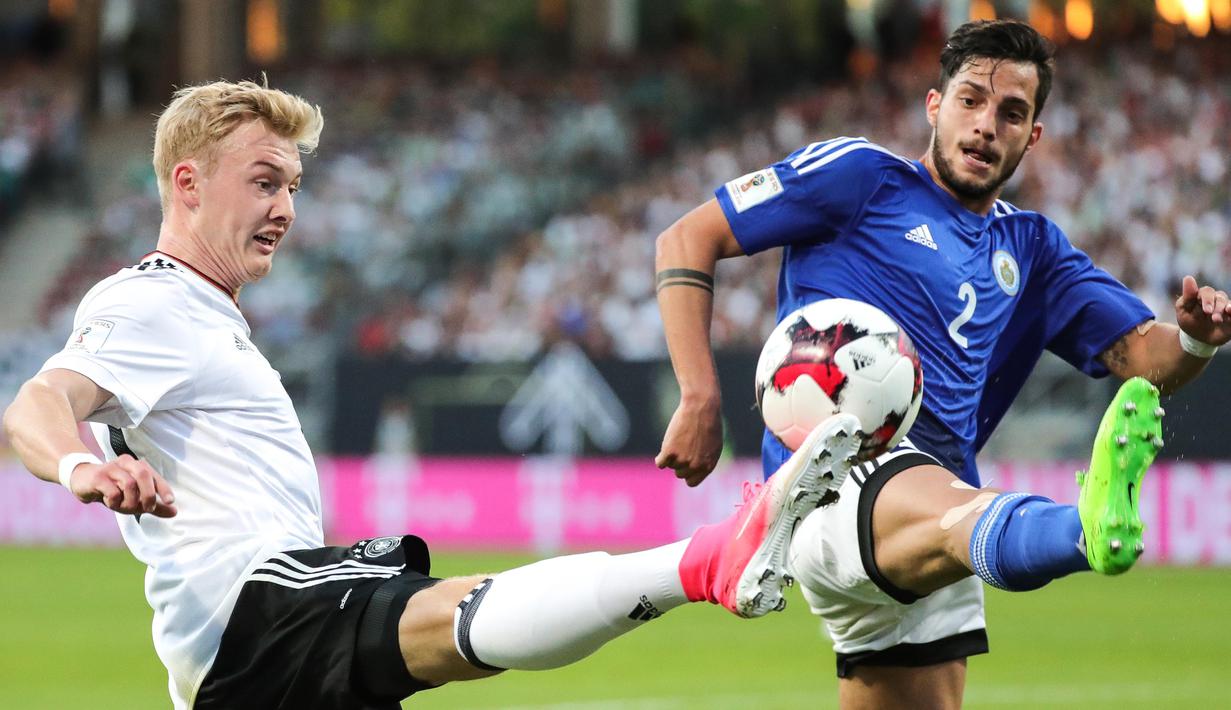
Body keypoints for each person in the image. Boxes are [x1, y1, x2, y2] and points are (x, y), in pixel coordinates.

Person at [0, 79, 870, 710]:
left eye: (293, 188)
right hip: (253, 614)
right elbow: (35, 405)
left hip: (241, 654)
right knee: (452, 618)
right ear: (186, 184)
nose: (286, 210)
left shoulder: (201, 316)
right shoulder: (149, 301)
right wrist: (82, 468)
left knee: (445, 622)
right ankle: (705, 559)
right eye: (264, 181)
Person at [653, 19, 1230, 709]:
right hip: (828, 486)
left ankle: (1062, 525)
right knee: (966, 515)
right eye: (970, 101)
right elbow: (688, 236)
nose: (986, 125)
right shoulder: (858, 178)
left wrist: (1197, 339)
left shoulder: (1033, 249)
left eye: (1010, 113)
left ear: (1032, 137)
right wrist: (698, 396)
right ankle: (1082, 529)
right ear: (934, 105)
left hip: (928, 518)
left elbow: (1143, 357)